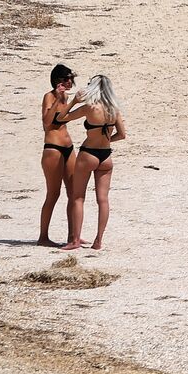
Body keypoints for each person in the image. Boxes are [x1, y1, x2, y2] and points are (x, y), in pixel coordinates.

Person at [57, 74, 126, 251]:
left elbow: (62, 118)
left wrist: (73, 102)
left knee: (78, 197)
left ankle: (75, 240)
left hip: (88, 154)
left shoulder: (90, 107)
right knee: (103, 199)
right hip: (105, 156)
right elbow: (122, 135)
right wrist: (107, 140)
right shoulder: (114, 109)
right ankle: (98, 241)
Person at [38, 64, 77, 246]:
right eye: (67, 79)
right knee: (53, 193)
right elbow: (46, 122)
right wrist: (56, 100)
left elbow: (66, 117)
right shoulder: (49, 96)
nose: (70, 82)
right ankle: (43, 237)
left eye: (71, 78)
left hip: (68, 147)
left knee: (73, 192)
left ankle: (73, 236)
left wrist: (72, 101)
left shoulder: (66, 97)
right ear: (58, 80)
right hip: (53, 148)